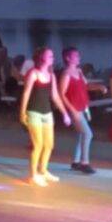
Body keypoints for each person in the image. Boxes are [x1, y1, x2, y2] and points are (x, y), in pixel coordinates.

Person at [19, 47, 72, 187]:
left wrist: (64, 113)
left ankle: (43, 171)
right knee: (38, 145)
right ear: (42, 57)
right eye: (50, 55)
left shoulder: (51, 75)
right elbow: (26, 93)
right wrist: (22, 112)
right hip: (34, 112)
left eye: (53, 56)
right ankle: (33, 176)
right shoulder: (33, 74)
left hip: (47, 113)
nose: (53, 58)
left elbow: (55, 96)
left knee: (49, 145)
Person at [59, 47, 95, 174]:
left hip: (81, 107)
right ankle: (85, 163)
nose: (78, 57)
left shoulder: (79, 72)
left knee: (81, 134)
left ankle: (76, 161)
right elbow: (62, 94)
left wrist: (99, 87)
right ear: (68, 58)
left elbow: (85, 86)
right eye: (76, 56)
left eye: (78, 55)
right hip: (74, 109)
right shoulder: (66, 74)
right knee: (88, 134)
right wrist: (71, 110)